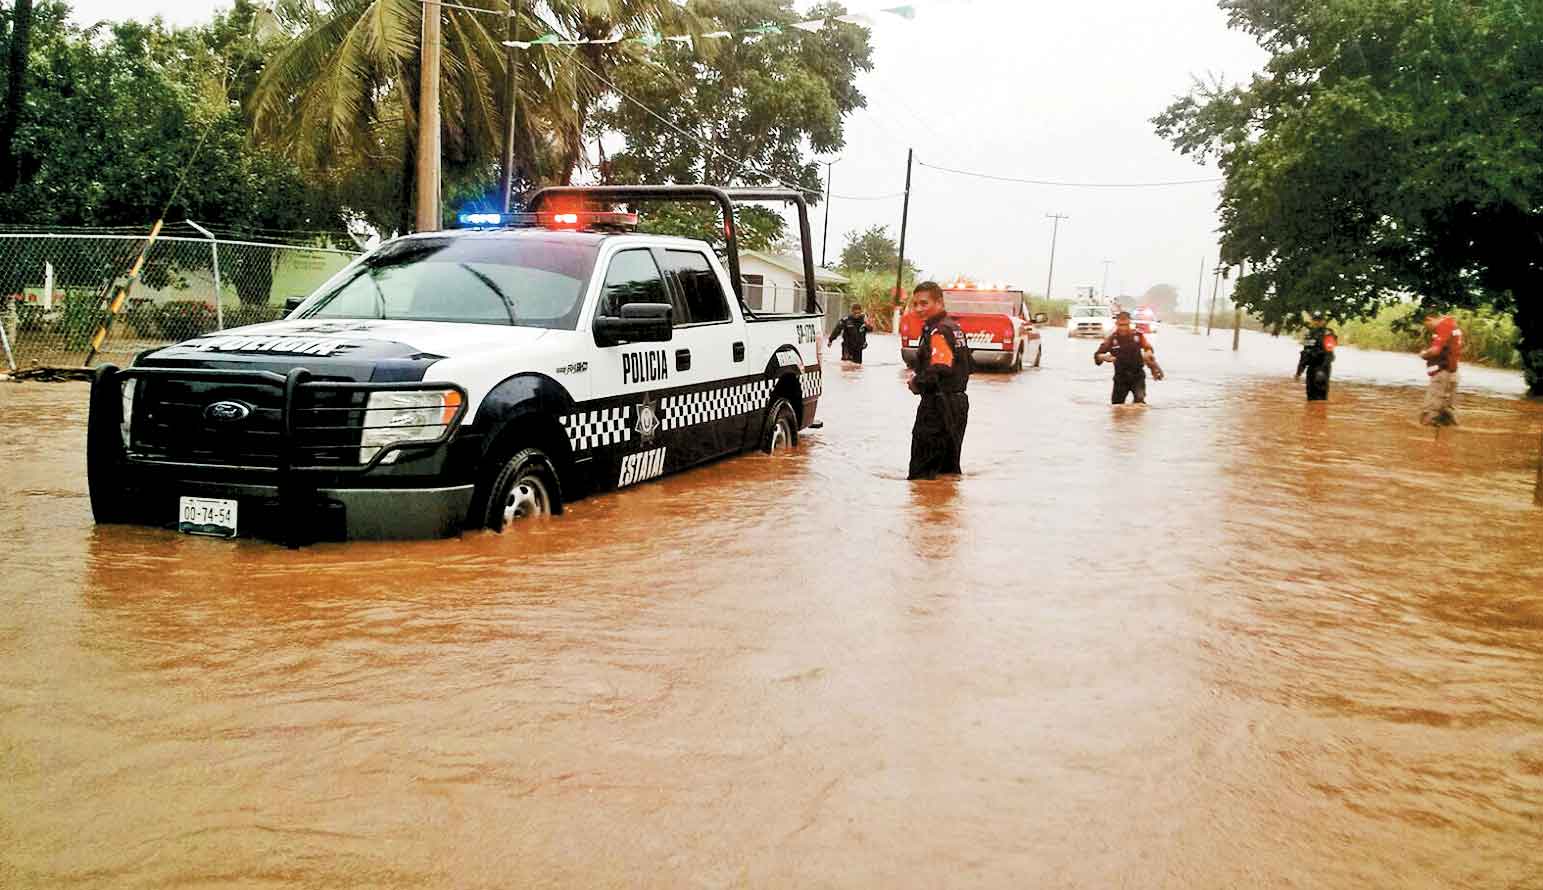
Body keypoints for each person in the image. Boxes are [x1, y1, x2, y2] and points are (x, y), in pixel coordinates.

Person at [906, 282, 971, 479]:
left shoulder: (939, 331)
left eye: (924, 303)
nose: (918, 309)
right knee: (947, 473)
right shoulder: (955, 328)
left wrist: (916, 383)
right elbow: (969, 364)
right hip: (957, 405)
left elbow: (941, 365)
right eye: (915, 304)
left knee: (921, 474)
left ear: (939, 302)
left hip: (937, 406)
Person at [1094, 311, 1162, 404]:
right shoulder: (1112, 339)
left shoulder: (1137, 336)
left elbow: (1148, 348)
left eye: (1125, 325)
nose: (1123, 328)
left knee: (1139, 404)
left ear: (1129, 323)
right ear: (1116, 323)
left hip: (1137, 376)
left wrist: (1148, 354)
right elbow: (1097, 355)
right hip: (1120, 378)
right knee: (1116, 406)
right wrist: (1103, 357)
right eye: (1121, 325)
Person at [1419, 310, 1463, 426]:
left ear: (1429, 319)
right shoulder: (1453, 325)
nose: (1427, 328)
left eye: (1426, 324)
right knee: (1447, 414)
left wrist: (1423, 354)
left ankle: (1424, 440)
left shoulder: (1443, 326)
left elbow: (1435, 351)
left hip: (1443, 373)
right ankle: (1448, 440)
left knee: (1429, 413)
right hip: (1452, 372)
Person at [1294, 314, 1337, 401]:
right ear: (1312, 321)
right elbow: (1305, 354)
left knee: (1320, 396)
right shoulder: (1309, 334)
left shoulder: (1328, 334)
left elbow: (1328, 354)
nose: (1317, 322)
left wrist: (1322, 370)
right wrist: (1299, 372)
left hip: (1322, 367)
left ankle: (1320, 413)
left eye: (1319, 320)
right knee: (1310, 395)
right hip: (1311, 368)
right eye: (1315, 320)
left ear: (1324, 321)